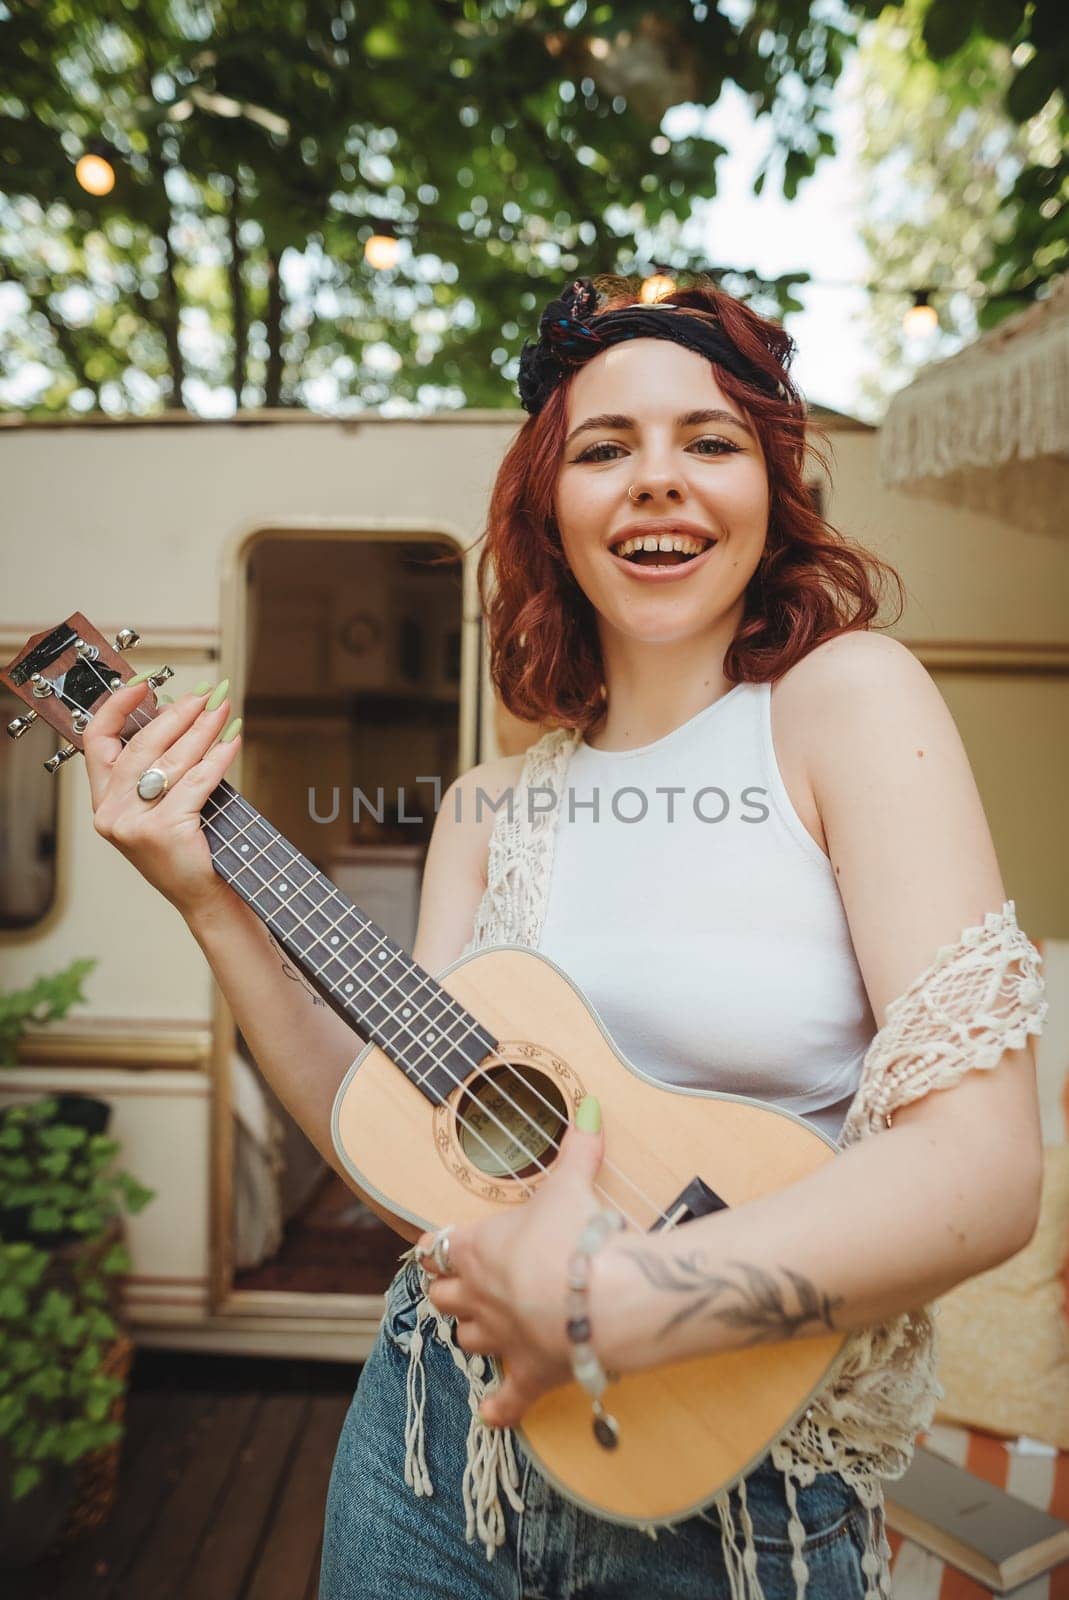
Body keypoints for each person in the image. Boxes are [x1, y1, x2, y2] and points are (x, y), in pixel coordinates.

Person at [83, 274, 1048, 1600]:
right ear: (548, 504)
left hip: (726, 1497)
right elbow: (403, 1154)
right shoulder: (490, 806)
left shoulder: (847, 704)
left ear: (770, 491)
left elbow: (984, 1174)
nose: (657, 480)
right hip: (428, 1450)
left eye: (708, 442)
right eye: (604, 449)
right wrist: (205, 898)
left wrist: (625, 1299)